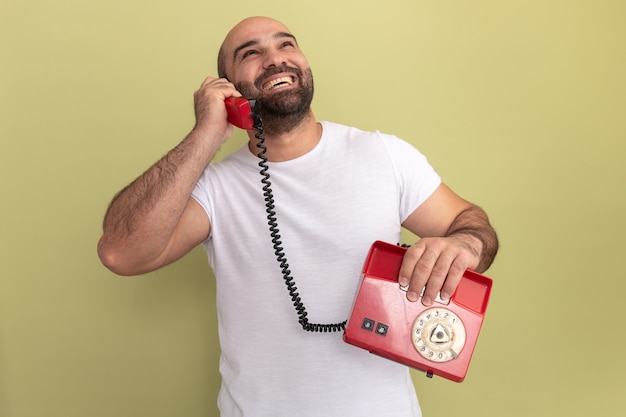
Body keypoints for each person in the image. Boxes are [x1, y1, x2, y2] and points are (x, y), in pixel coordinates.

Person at [98, 16, 498, 417]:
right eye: (250, 53)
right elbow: (121, 252)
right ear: (229, 89)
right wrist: (205, 134)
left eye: (286, 44)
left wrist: (463, 244)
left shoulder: (385, 155)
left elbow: (471, 223)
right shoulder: (214, 188)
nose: (274, 59)